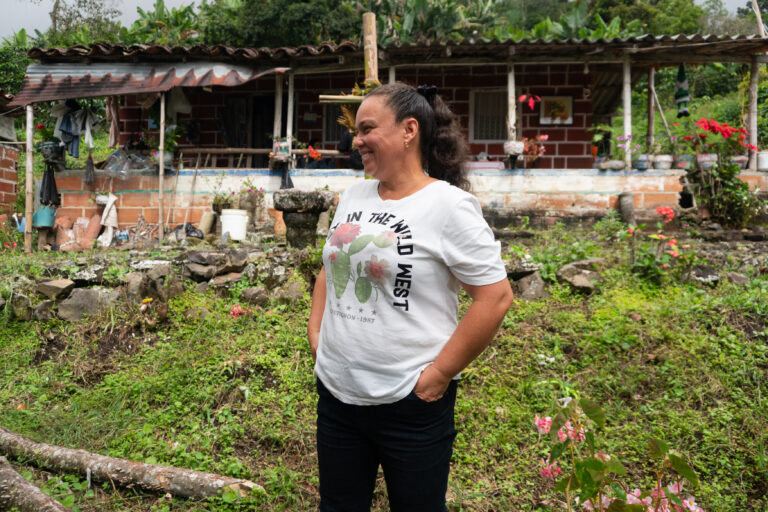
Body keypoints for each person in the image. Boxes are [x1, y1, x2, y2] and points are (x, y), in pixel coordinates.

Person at [307, 82, 514, 512]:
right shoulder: (354, 195)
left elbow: (494, 297)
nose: (355, 140)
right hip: (338, 395)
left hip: (409, 403)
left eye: (366, 129)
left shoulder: (449, 206)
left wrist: (438, 375)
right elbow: (331, 264)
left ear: (409, 130)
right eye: (355, 131)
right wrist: (317, 338)